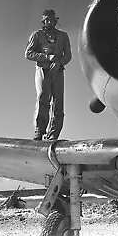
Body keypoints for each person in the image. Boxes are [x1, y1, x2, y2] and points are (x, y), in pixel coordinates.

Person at [25, 9, 72, 140]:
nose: (50, 22)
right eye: (47, 20)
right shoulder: (37, 35)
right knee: (43, 100)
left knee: (58, 103)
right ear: (43, 21)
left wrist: (60, 62)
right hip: (43, 70)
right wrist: (46, 57)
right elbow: (28, 53)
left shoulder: (63, 36)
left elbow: (68, 55)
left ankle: (53, 134)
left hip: (57, 71)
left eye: (52, 19)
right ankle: (39, 131)